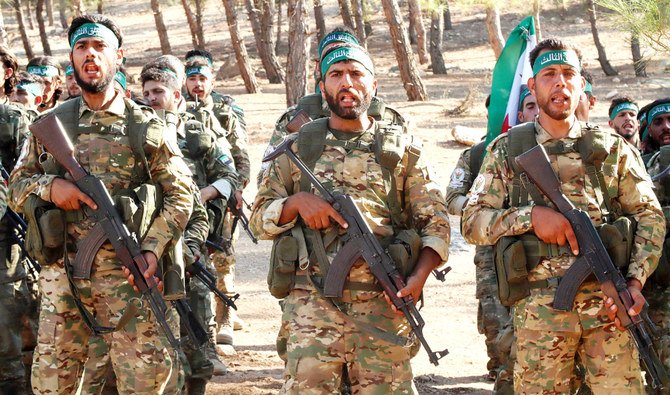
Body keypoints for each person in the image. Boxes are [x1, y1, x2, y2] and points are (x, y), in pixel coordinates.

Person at [462, 38, 664, 394]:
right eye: (549, 74)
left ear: (581, 85)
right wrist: (530, 217)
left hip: (610, 309)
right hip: (540, 314)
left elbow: (649, 215)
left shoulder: (610, 147)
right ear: (533, 86)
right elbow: (472, 221)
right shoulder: (508, 150)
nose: (560, 82)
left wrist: (634, 282)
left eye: (569, 74)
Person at [250, 42, 451, 393]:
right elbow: (257, 219)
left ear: (373, 85)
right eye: (336, 75)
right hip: (311, 312)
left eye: (356, 74)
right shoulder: (298, 148)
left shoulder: (403, 152)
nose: (347, 83)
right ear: (323, 85)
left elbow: (436, 223)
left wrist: (418, 277)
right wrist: (296, 203)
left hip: (383, 310)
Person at [9, 14, 193, 394]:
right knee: (50, 386)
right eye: (81, 48)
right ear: (72, 61)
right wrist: (50, 186)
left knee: (145, 383)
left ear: (118, 56)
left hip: (130, 280)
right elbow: (15, 186)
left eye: (100, 46)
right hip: (63, 281)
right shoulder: (50, 124)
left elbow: (181, 195)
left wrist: (152, 250)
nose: (90, 55)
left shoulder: (146, 125)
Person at [141, 62, 239, 386]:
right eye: (146, 93)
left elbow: (228, 177)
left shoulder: (198, 130)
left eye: (158, 92)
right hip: (147, 251)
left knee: (196, 341)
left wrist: (197, 196)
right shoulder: (136, 133)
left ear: (175, 93)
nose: (152, 99)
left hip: (191, 246)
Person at [182, 53, 249, 346]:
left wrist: (236, 188)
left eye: (202, 79)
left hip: (220, 194)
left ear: (212, 81)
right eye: (192, 79)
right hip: (190, 197)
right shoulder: (179, 108)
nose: (197, 85)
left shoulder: (225, 110)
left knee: (222, 258)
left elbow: (240, 153)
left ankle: (225, 318)